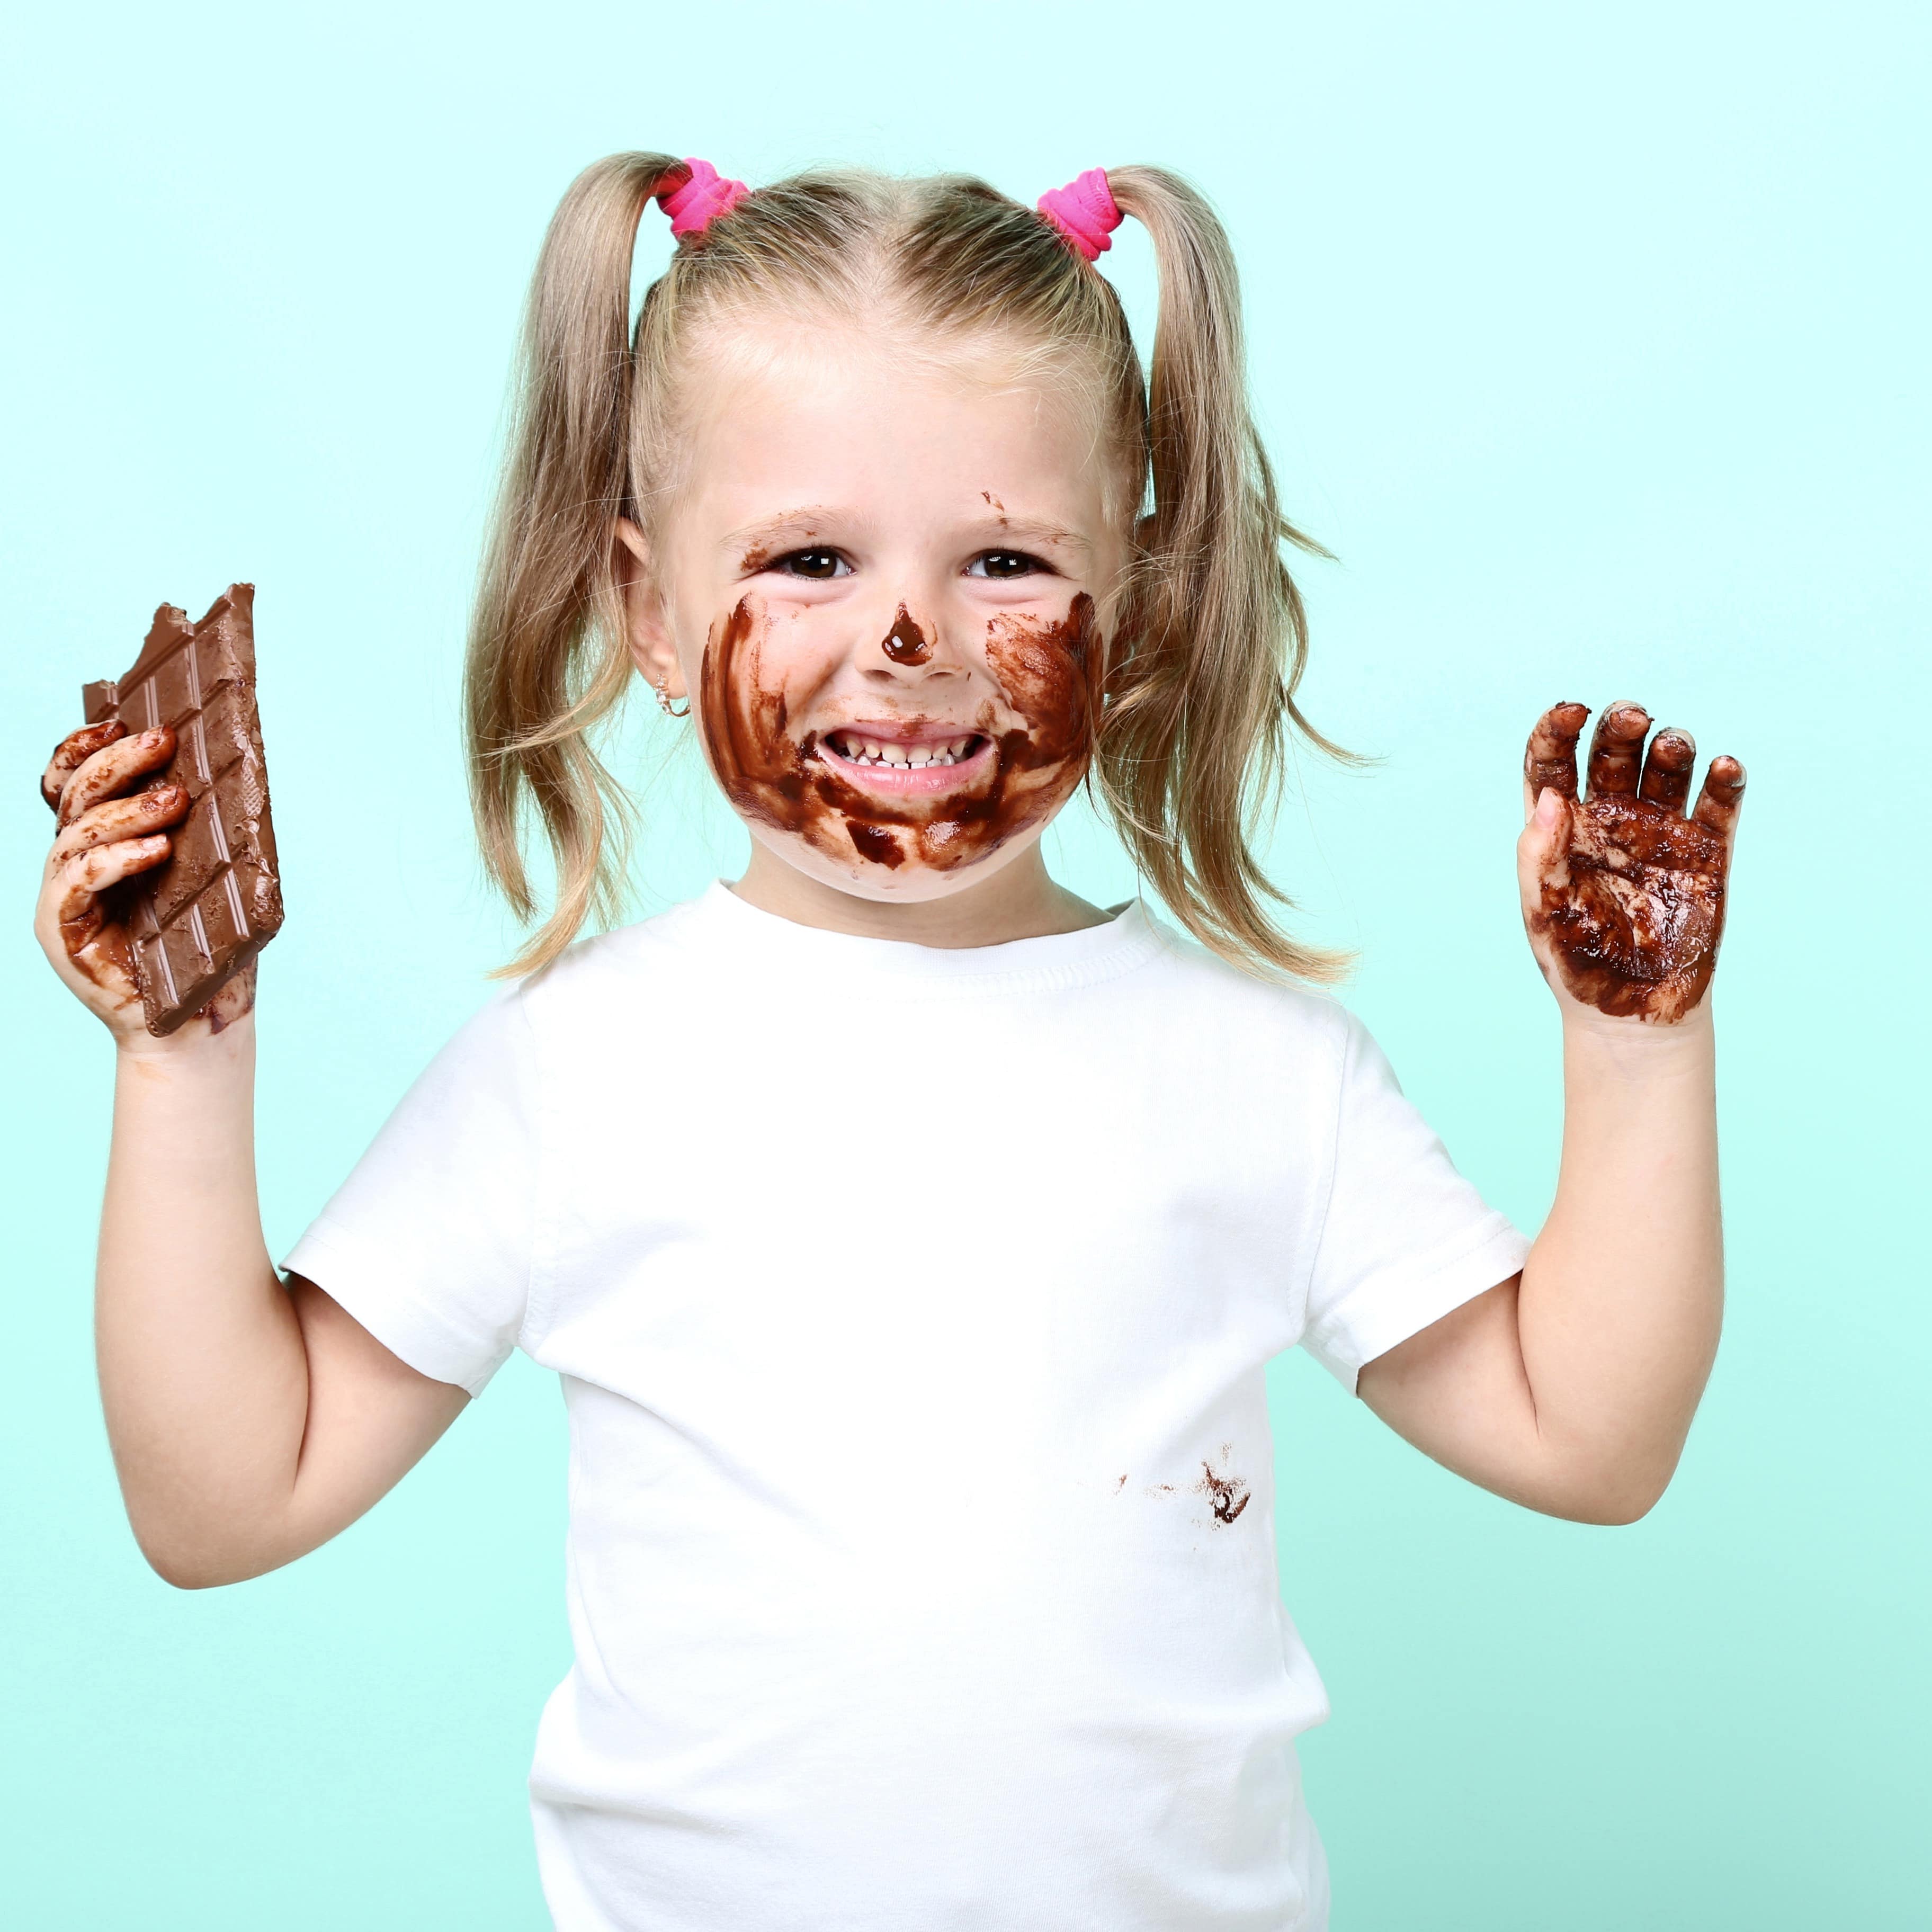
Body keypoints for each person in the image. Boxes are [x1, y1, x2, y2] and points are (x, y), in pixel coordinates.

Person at [32, 156, 1747, 1931]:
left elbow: (1586, 1439)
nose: (906, 641)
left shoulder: (1260, 1073)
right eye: (810, 561)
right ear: (648, 615)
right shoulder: (579, 1075)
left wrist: (1636, 1044)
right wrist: (181, 1062)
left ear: (1136, 605)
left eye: (1005, 557)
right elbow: (224, 1500)